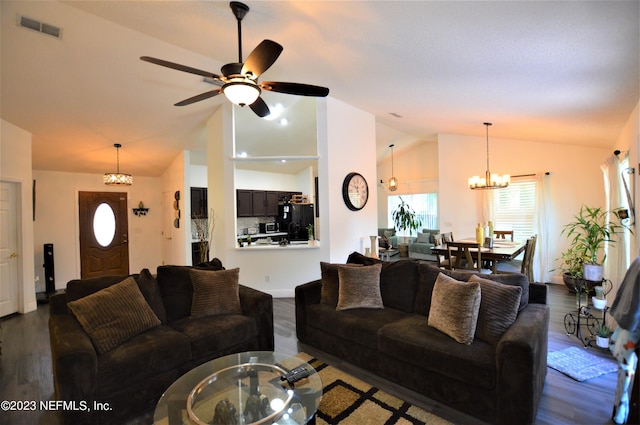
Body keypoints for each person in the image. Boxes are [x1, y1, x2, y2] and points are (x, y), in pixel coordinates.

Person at [609, 256, 640, 424]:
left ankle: (620, 407)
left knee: (625, 368)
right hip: (633, 328)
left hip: (630, 327)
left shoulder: (637, 262)